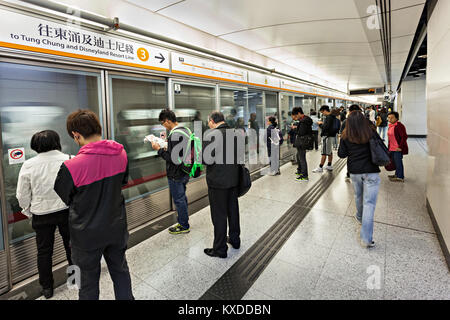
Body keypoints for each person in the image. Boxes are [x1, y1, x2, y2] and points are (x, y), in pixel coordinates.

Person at [54, 109, 133, 300]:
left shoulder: (71, 167)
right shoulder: (121, 153)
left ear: (76, 135)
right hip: (116, 227)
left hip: (85, 235)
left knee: (87, 282)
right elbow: (122, 182)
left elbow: (65, 196)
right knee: (121, 271)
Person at [16, 130, 72, 299]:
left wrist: (27, 211)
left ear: (35, 146)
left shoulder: (28, 165)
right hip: (67, 210)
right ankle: (75, 279)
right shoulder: (70, 159)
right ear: (57, 142)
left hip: (41, 214)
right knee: (72, 247)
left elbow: (22, 194)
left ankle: (47, 288)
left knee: (44, 251)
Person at [338, 111, 380, 248]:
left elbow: (341, 154)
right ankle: (366, 239)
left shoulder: (345, 135)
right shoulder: (371, 132)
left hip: (355, 172)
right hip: (371, 171)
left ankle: (360, 217)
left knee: (358, 196)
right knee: (369, 204)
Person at [203, 111, 241, 258]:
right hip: (233, 180)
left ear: (212, 121)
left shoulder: (211, 135)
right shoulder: (235, 133)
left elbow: (206, 160)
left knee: (219, 215)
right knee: (233, 211)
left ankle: (220, 249)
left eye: (208, 122)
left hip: (217, 183)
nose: (208, 125)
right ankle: (235, 239)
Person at [151, 109, 191, 234]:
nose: (163, 126)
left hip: (176, 174)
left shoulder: (174, 135)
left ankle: (184, 225)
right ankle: (183, 220)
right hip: (185, 171)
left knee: (179, 200)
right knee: (182, 197)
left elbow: (173, 159)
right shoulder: (185, 130)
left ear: (168, 121)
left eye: (163, 123)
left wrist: (159, 150)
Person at [312, 105, 337, 173]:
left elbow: (325, 127)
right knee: (329, 151)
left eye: (322, 112)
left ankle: (320, 167)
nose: (322, 113)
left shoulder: (328, 117)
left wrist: (320, 124)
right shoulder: (332, 116)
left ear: (325, 110)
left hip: (326, 136)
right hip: (330, 136)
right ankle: (329, 165)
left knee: (324, 152)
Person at [291, 107, 313, 181]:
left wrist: (295, 129)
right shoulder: (306, 119)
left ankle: (304, 176)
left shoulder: (303, 121)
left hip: (302, 142)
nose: (296, 118)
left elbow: (301, 133)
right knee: (299, 156)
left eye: (296, 116)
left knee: (302, 158)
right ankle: (300, 171)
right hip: (304, 141)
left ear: (299, 113)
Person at [387, 111, 409, 182]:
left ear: (397, 118)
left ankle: (400, 177)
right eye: (389, 118)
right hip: (392, 148)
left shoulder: (399, 126)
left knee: (398, 162)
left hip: (397, 148)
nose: (390, 119)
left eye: (392, 118)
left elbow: (404, 136)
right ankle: (397, 174)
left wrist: (400, 147)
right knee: (395, 162)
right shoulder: (391, 126)